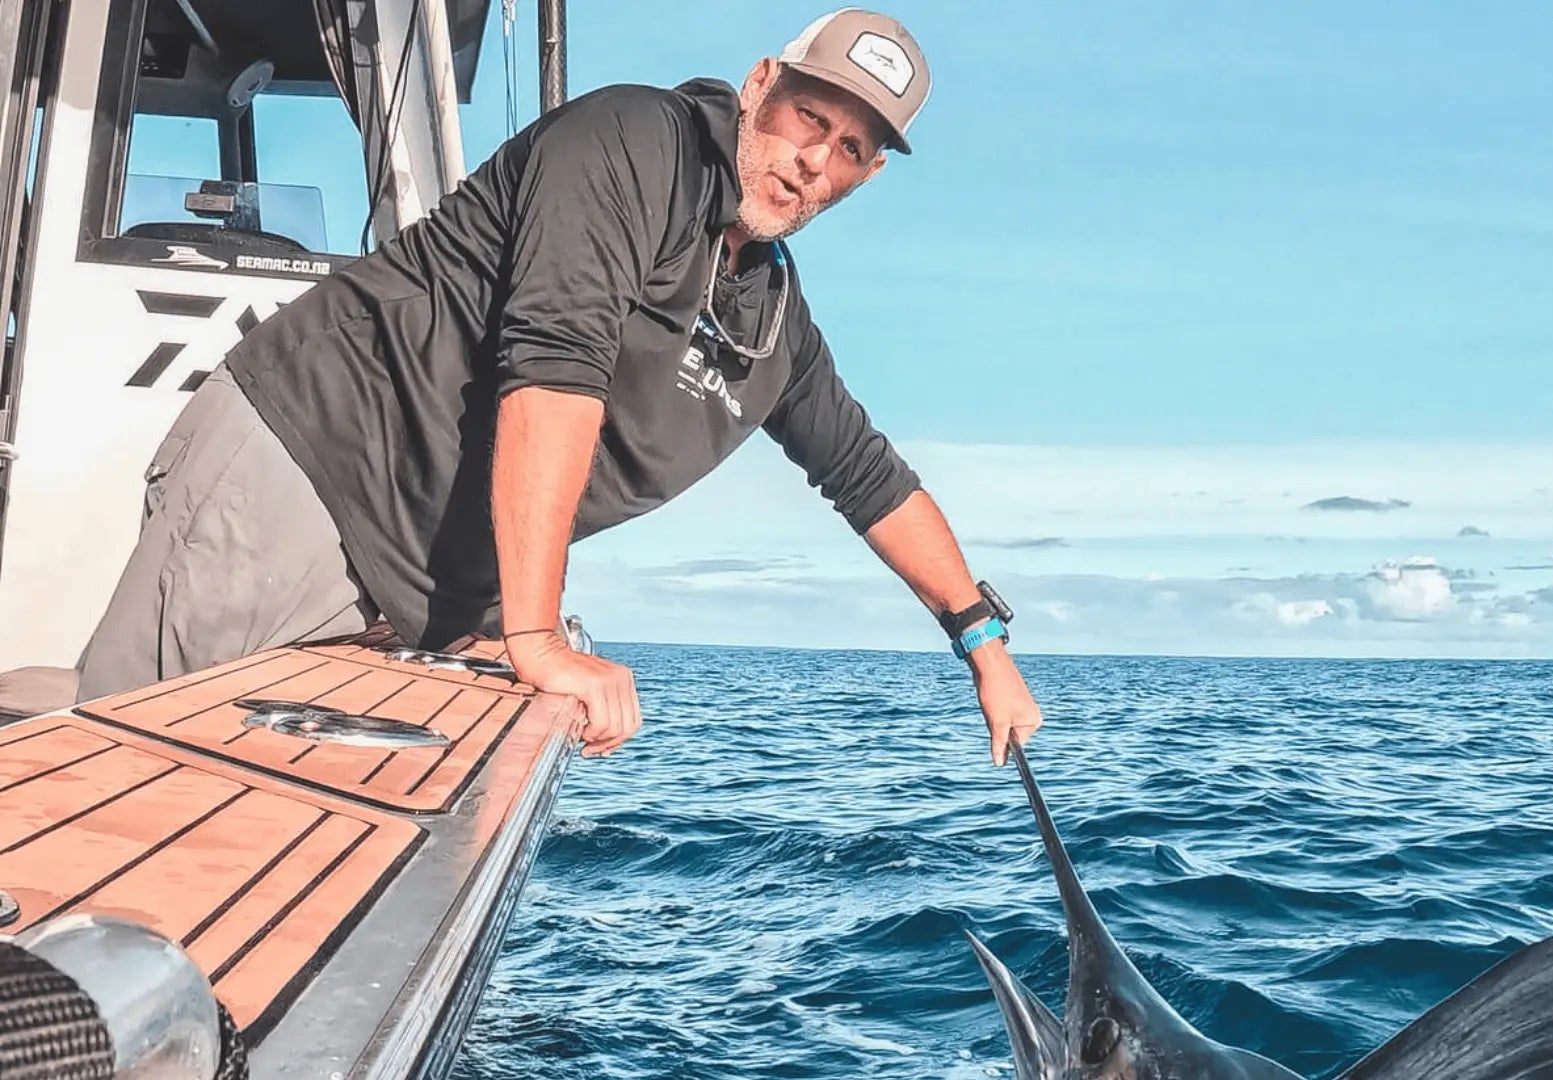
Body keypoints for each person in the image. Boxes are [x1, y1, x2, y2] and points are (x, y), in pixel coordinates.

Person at [70, 9, 1045, 765]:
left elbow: (866, 476)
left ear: (866, 177)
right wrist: (534, 632)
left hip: (410, 589)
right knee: (111, 784)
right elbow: (554, 367)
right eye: (809, 118)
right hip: (306, 466)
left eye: (850, 149)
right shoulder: (633, 142)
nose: (812, 161)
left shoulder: (773, 326)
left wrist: (984, 647)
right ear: (760, 88)